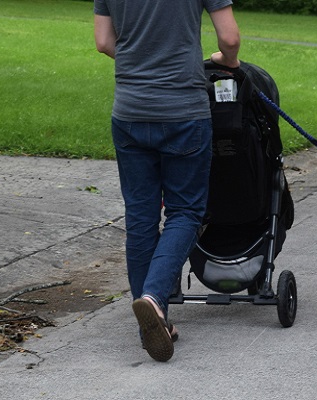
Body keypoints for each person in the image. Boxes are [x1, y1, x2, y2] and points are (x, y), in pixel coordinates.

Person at [94, 0, 240, 362]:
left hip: (129, 111)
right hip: (182, 113)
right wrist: (228, 61)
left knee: (140, 218)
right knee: (185, 212)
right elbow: (229, 37)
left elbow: (102, 41)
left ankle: (154, 320)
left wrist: (137, 63)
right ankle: (155, 301)